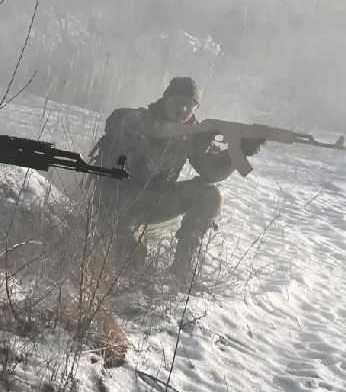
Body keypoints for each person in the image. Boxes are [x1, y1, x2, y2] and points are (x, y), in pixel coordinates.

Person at [87, 77, 263, 289]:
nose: (182, 109)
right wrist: (179, 142)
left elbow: (210, 172)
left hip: (154, 202)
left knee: (210, 195)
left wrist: (237, 153)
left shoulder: (193, 133)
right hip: (116, 201)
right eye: (177, 101)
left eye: (189, 105)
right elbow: (129, 168)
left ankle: (181, 272)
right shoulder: (138, 121)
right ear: (165, 99)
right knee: (129, 266)